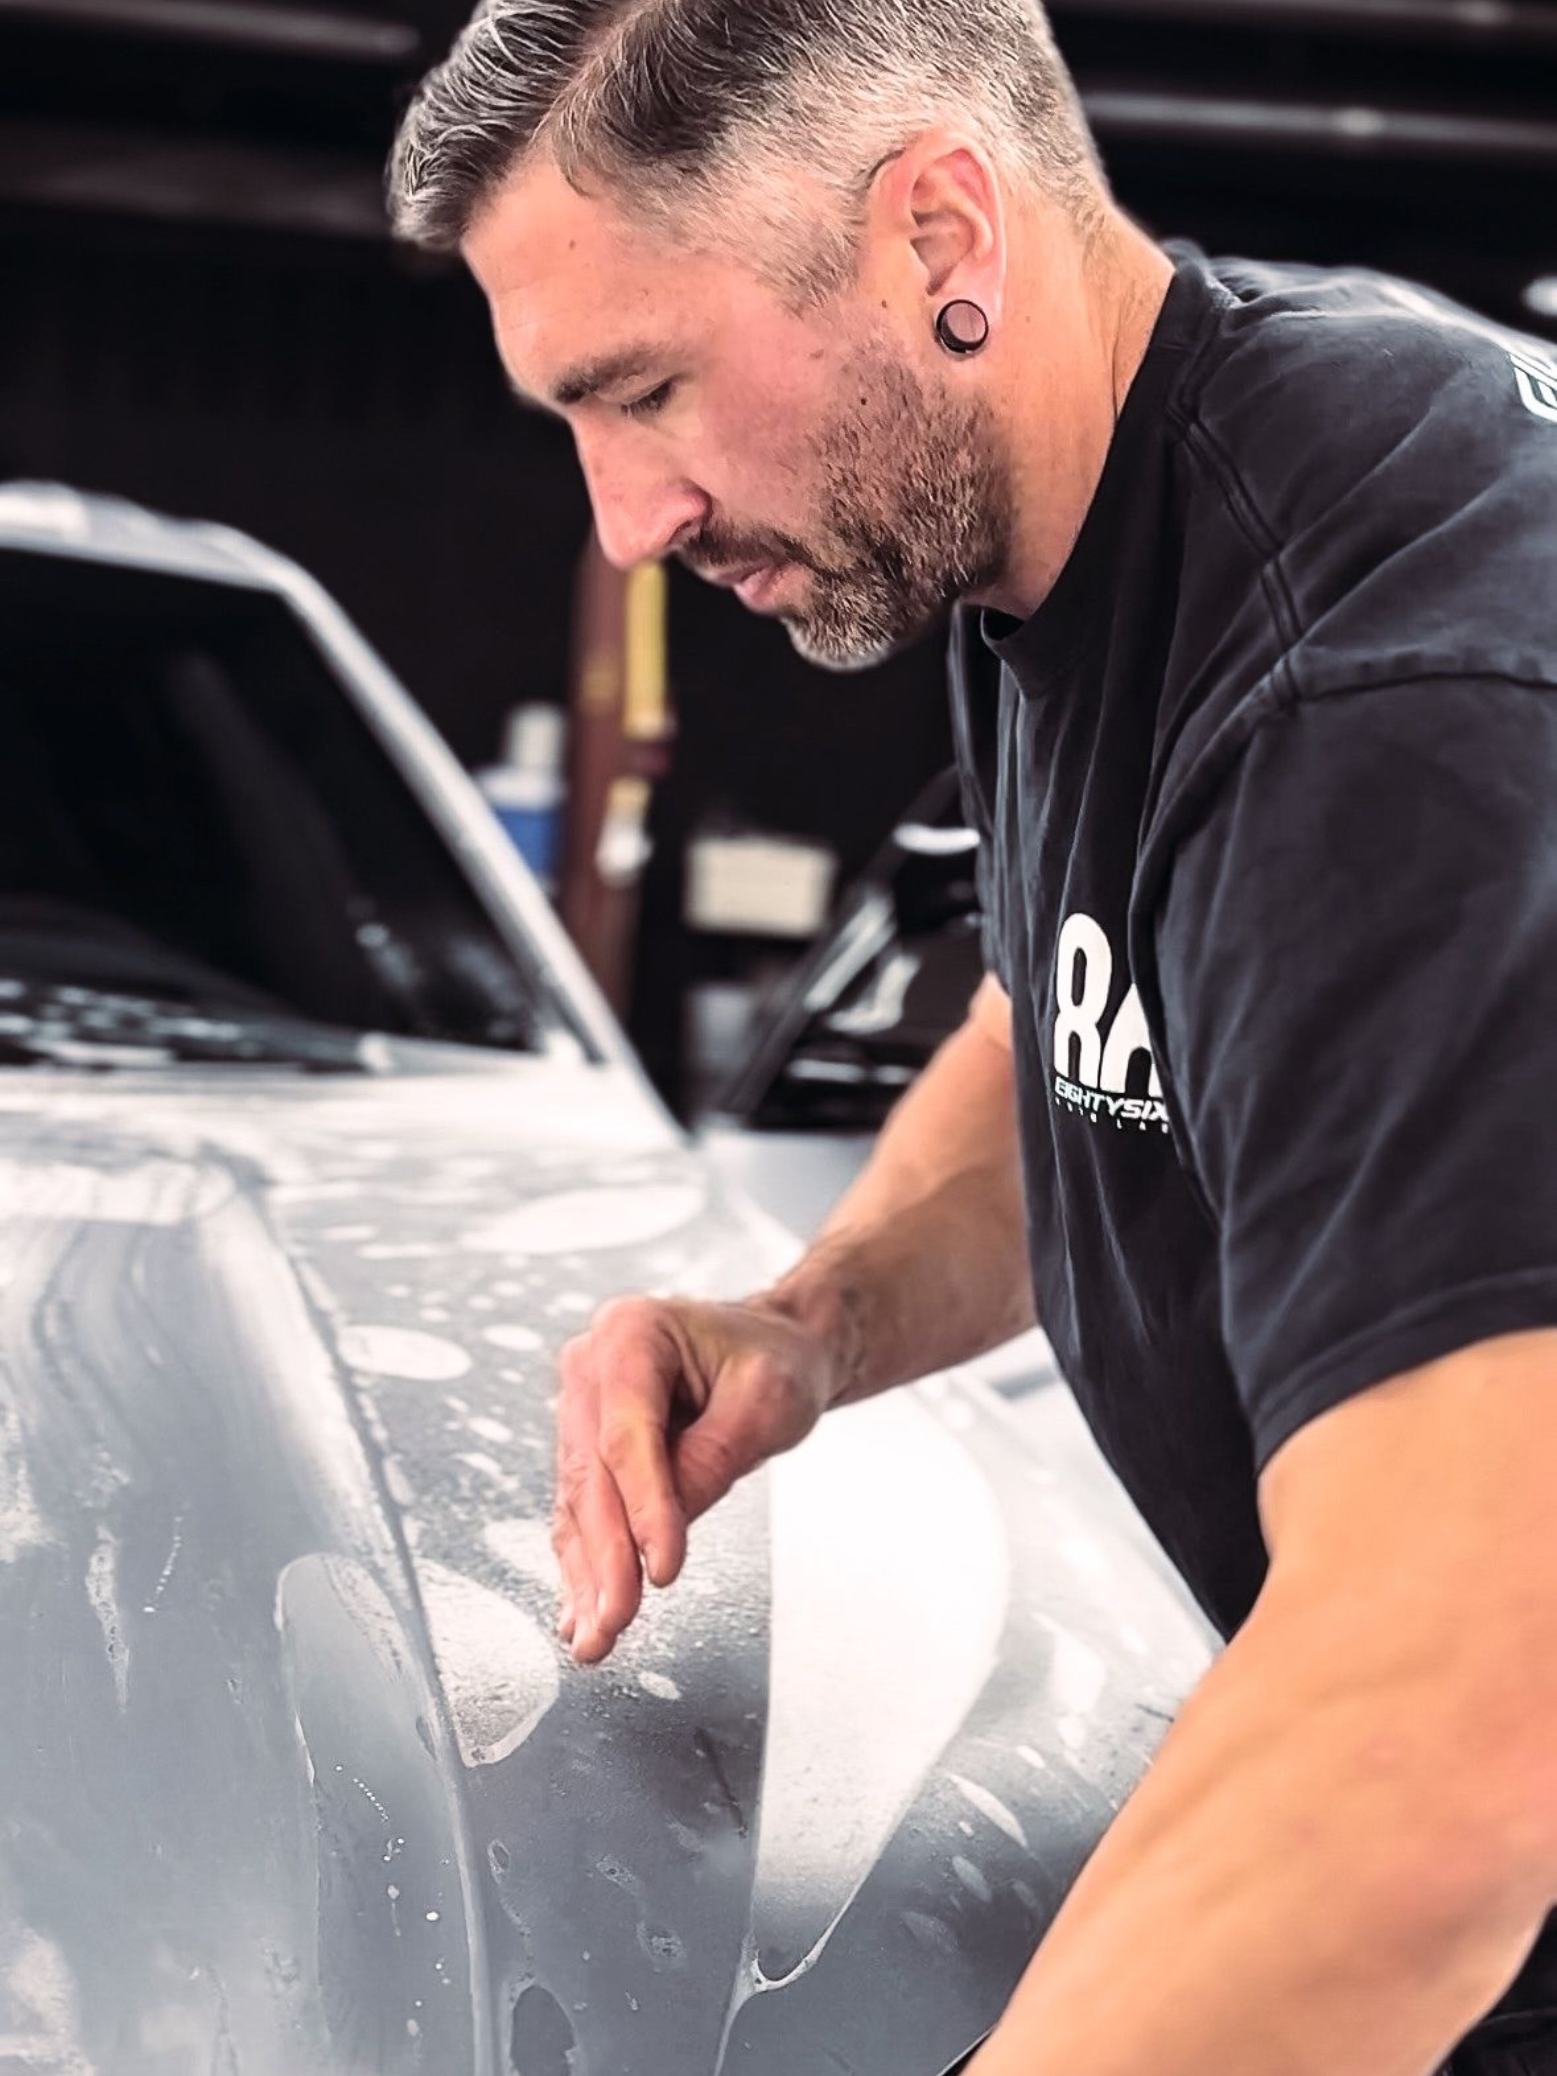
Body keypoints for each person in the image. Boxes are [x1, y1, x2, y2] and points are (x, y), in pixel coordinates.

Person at [389, 3, 1557, 2069]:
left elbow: (1448, 1730)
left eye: (643, 389)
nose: (623, 520)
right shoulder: (1097, 519)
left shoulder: (1376, 695)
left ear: (939, 234)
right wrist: (811, 1319)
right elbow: (1074, 1016)